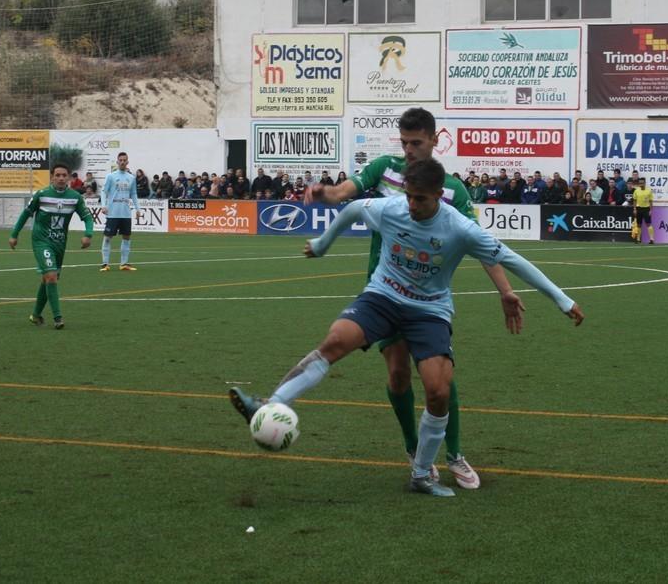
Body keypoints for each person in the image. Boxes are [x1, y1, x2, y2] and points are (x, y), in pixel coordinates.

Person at [231, 159, 584, 497]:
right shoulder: (392, 208)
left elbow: (511, 258)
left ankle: (421, 475)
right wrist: (323, 245)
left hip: (429, 311)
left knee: (438, 391)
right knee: (336, 340)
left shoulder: (459, 227)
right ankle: (268, 404)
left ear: (437, 196)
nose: (411, 205)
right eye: (409, 196)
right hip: (382, 296)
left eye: (420, 199)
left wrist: (562, 300)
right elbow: (352, 209)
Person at [302, 107, 522, 489]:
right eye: (404, 142)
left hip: (426, 296)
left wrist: (505, 290)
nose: (408, 150)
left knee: (439, 379)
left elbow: (482, 245)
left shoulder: (452, 188)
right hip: (383, 289)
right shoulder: (383, 168)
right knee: (398, 373)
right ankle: (413, 447)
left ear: (435, 140)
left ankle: (454, 453)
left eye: (416, 142)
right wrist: (326, 194)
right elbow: (346, 193)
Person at [9, 163, 94, 329]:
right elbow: (26, 214)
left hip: (60, 243)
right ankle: (58, 318)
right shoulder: (42, 194)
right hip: (41, 241)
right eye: (58, 175)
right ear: (52, 177)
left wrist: (88, 234)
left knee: (48, 279)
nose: (61, 178)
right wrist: (14, 234)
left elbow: (87, 217)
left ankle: (35, 315)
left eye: (64, 175)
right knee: (51, 276)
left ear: (69, 177)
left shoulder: (75, 197)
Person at [99, 152, 140, 272]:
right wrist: (103, 206)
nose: (122, 162)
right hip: (113, 212)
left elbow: (133, 194)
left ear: (127, 162)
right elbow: (103, 191)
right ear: (117, 162)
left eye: (124, 160)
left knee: (126, 237)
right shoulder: (111, 176)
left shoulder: (131, 178)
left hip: (125, 213)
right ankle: (105, 264)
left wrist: (138, 209)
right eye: (120, 160)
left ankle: (124, 264)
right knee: (107, 237)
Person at [632, 177, 654, 244]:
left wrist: (650, 210)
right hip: (639, 209)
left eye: (642, 183)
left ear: (645, 183)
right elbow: (634, 200)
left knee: (648, 224)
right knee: (639, 225)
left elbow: (651, 201)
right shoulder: (636, 191)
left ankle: (651, 239)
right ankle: (638, 239)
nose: (641, 184)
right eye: (640, 183)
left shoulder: (649, 191)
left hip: (646, 209)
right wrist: (635, 209)